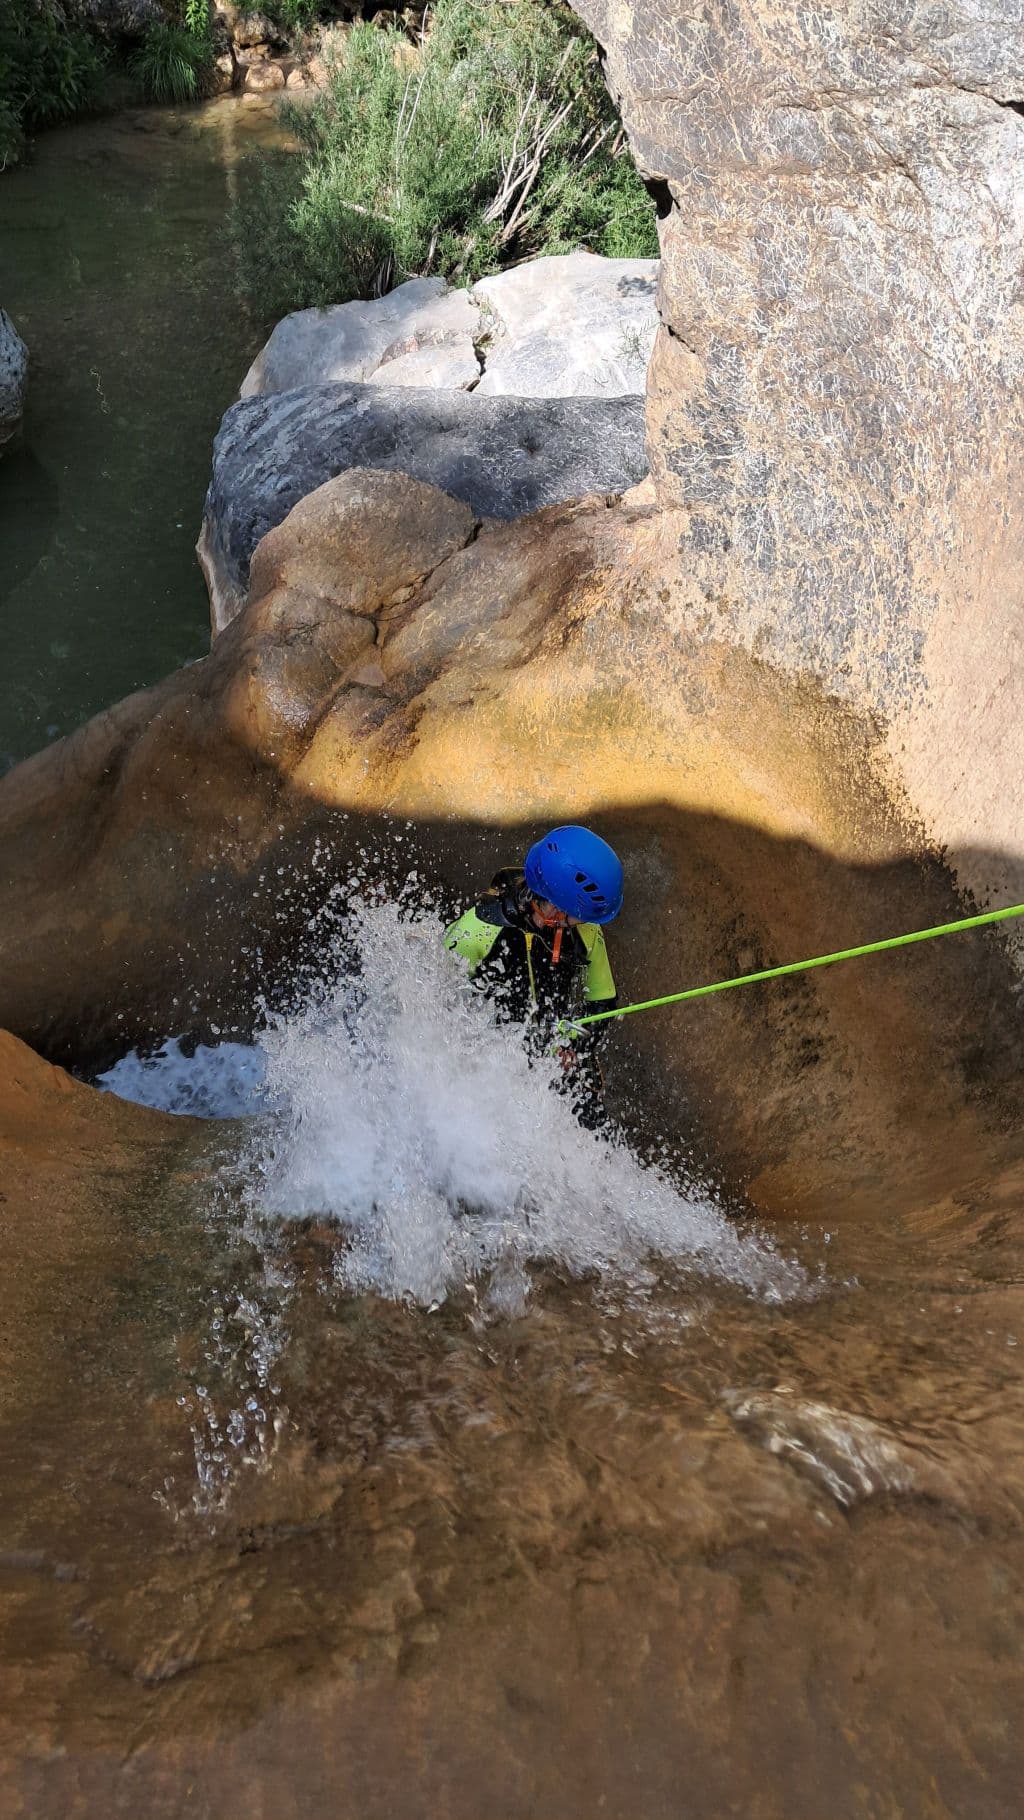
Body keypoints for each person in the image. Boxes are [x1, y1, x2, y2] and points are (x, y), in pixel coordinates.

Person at [443, 825, 622, 1125]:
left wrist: (574, 1048)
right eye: (582, 916)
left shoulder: (586, 932)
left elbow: (602, 1001)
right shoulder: (478, 932)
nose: (588, 923)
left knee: (592, 1120)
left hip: (552, 1048)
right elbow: (439, 1002)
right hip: (486, 1050)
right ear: (556, 907)